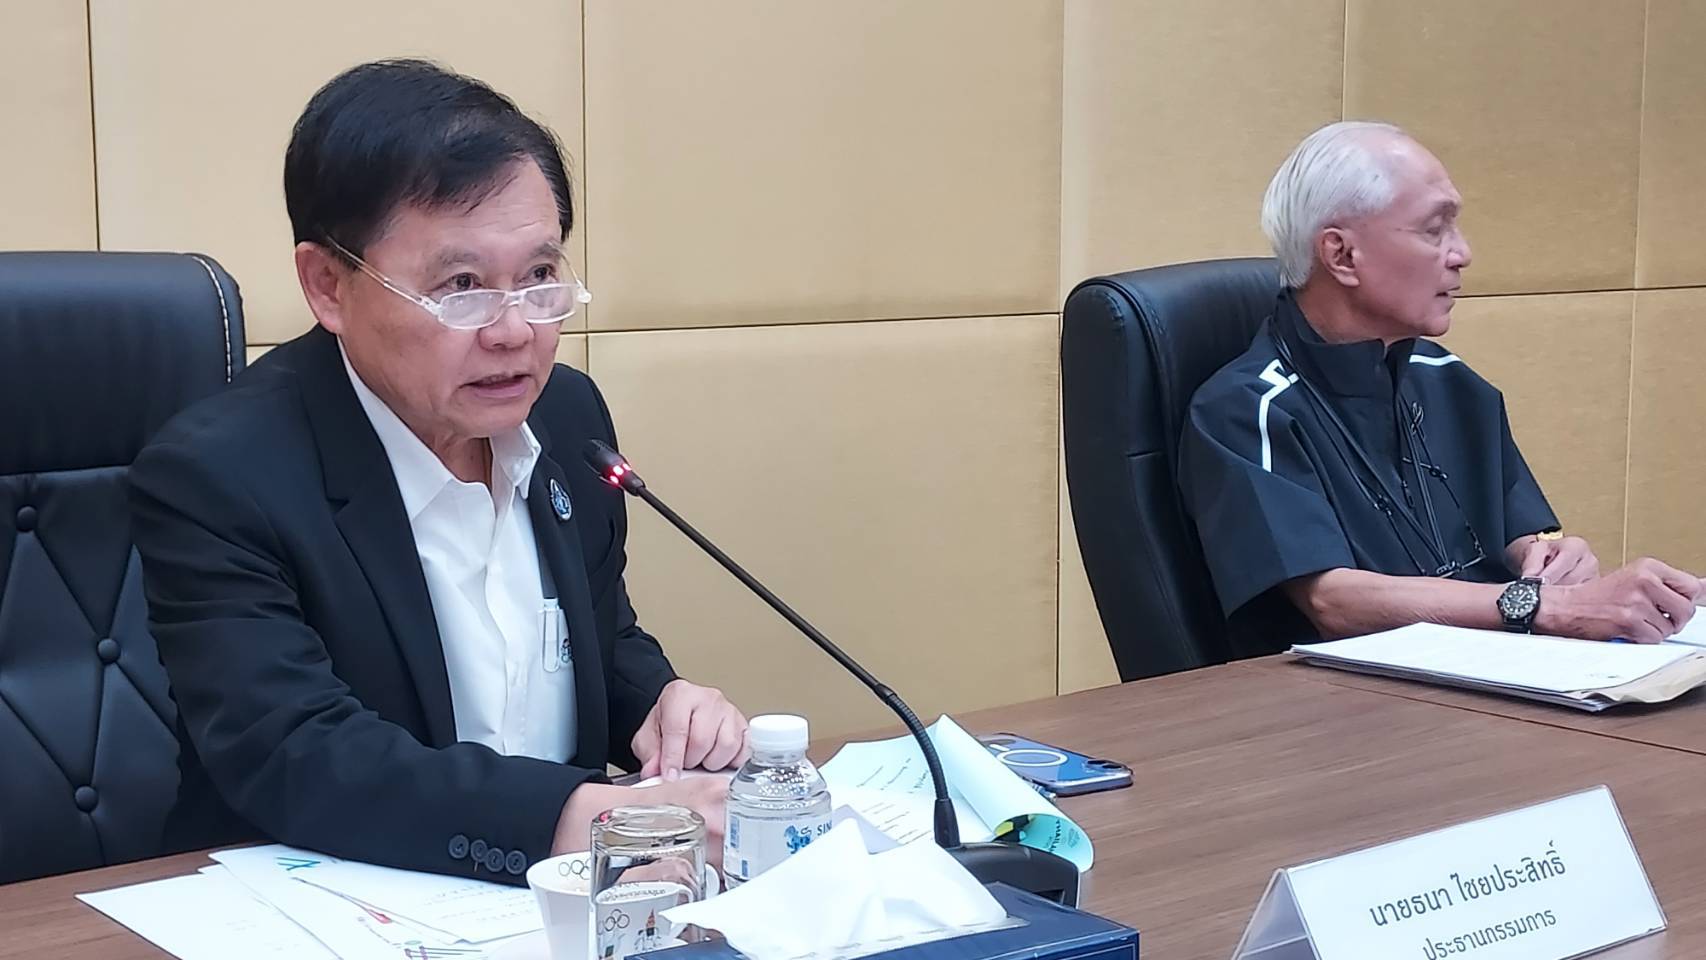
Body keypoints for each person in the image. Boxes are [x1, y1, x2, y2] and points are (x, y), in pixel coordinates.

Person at [130, 59, 746, 881]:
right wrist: (592, 819)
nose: (514, 331)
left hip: (546, 904)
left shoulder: (566, 418)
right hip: (312, 904)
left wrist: (663, 709)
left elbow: (597, 637)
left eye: (539, 277)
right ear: (328, 285)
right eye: (462, 287)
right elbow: (298, 753)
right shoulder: (219, 474)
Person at [1178, 120, 1702, 656]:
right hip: (1347, 697)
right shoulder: (1245, 411)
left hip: (1497, 670)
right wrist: (1546, 607)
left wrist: (1551, 559)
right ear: (1341, 255)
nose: (1462, 253)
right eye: (1435, 229)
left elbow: (1521, 535)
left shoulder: (1448, 377)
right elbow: (1332, 601)